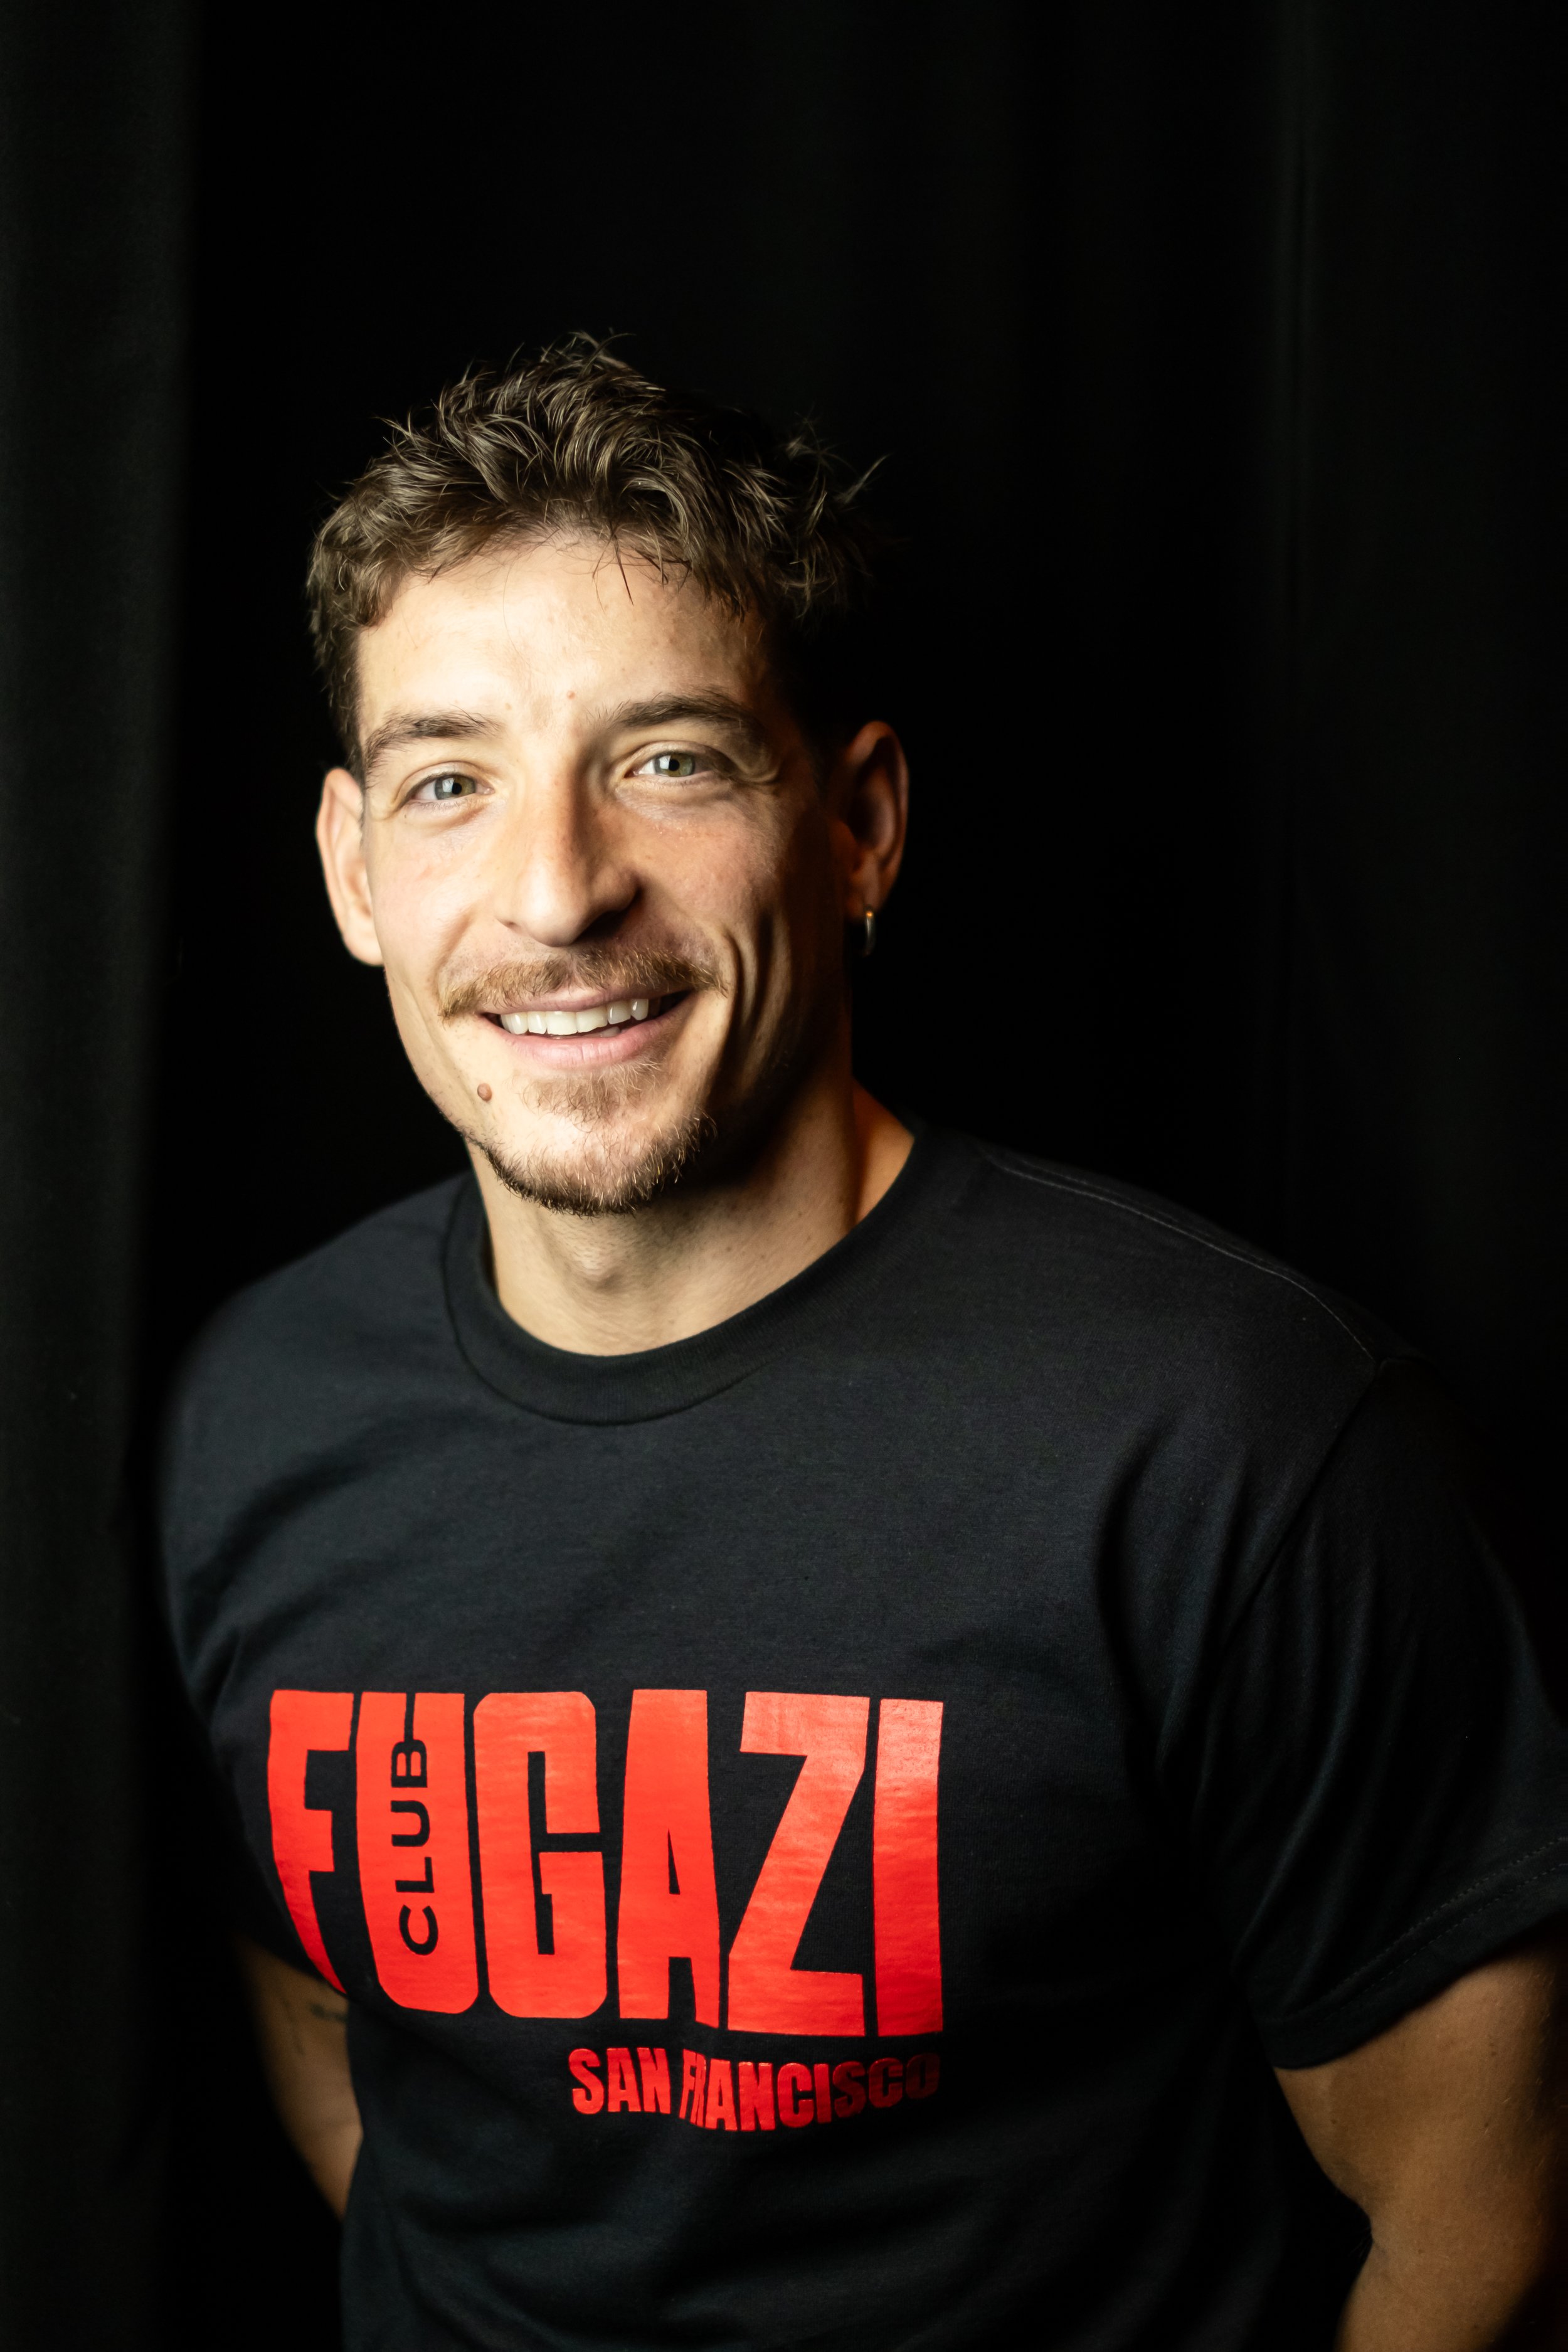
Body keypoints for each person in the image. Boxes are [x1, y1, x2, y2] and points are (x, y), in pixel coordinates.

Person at [162, 339, 1568, 2352]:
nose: (556, 893)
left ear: (862, 825)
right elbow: (340, 2045)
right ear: (352, 871)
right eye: (450, 782)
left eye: (669, 759)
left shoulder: (1227, 1437)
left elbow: (1480, 2217)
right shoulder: (254, 1410)